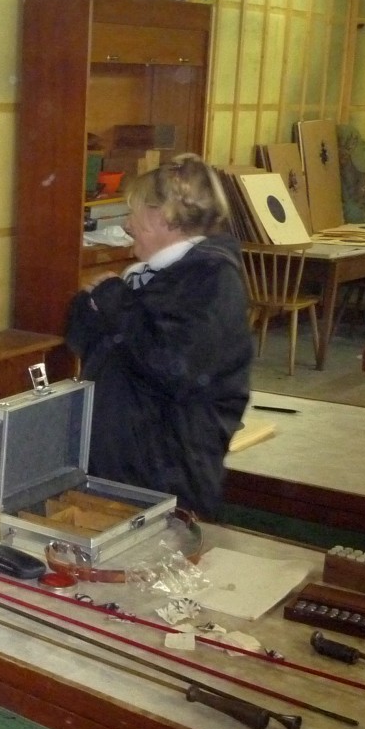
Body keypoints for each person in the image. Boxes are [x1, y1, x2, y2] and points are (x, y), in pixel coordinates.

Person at [65, 155, 252, 519]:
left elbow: (172, 366)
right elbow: (95, 347)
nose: (127, 224)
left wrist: (116, 303)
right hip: (127, 463)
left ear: (164, 216)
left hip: (168, 470)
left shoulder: (211, 281)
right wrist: (88, 307)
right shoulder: (150, 276)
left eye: (133, 212)